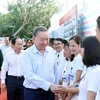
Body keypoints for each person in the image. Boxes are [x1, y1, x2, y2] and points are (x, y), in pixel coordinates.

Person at [22, 26, 57, 100]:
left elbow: (54, 71)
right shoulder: (27, 54)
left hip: (50, 92)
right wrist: (49, 85)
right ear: (34, 38)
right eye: (42, 39)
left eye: (47, 39)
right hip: (33, 93)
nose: (45, 42)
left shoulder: (51, 51)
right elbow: (29, 75)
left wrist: (55, 88)